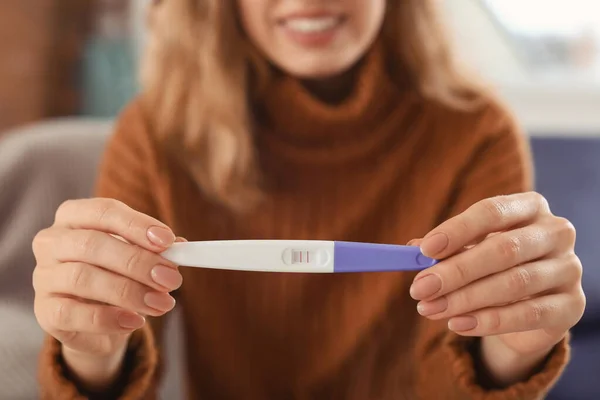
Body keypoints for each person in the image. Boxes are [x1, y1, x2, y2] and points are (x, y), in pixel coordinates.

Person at [32, 0, 586, 399]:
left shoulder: (477, 134)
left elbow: (450, 381)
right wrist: (91, 350)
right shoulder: (154, 136)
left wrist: (509, 353)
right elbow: (123, 365)